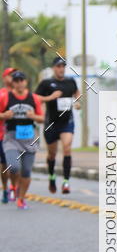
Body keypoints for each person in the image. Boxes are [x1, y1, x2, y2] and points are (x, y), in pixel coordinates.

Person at [35, 56, 80, 193]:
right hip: (51, 124)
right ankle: (52, 176)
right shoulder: (46, 83)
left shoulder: (70, 81)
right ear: (54, 68)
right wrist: (50, 97)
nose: (61, 69)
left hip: (67, 122)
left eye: (63, 66)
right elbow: (35, 98)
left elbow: (76, 93)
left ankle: (66, 182)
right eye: (58, 66)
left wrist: (77, 101)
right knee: (52, 154)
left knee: (67, 148)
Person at [0, 70, 44, 209]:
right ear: (13, 83)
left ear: (25, 82)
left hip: (29, 137)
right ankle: (13, 186)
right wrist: (4, 115)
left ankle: (21, 198)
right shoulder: (6, 97)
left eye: (21, 80)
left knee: (26, 171)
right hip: (11, 137)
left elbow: (42, 118)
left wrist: (33, 117)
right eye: (16, 81)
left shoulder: (34, 98)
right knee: (13, 166)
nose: (19, 83)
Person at [1, 67, 15, 202]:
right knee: (5, 164)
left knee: (17, 163)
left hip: (20, 135)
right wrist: (4, 115)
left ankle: (14, 188)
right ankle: (5, 188)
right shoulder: (2, 94)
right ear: (4, 78)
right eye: (10, 75)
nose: (13, 77)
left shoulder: (23, 94)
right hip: (4, 134)